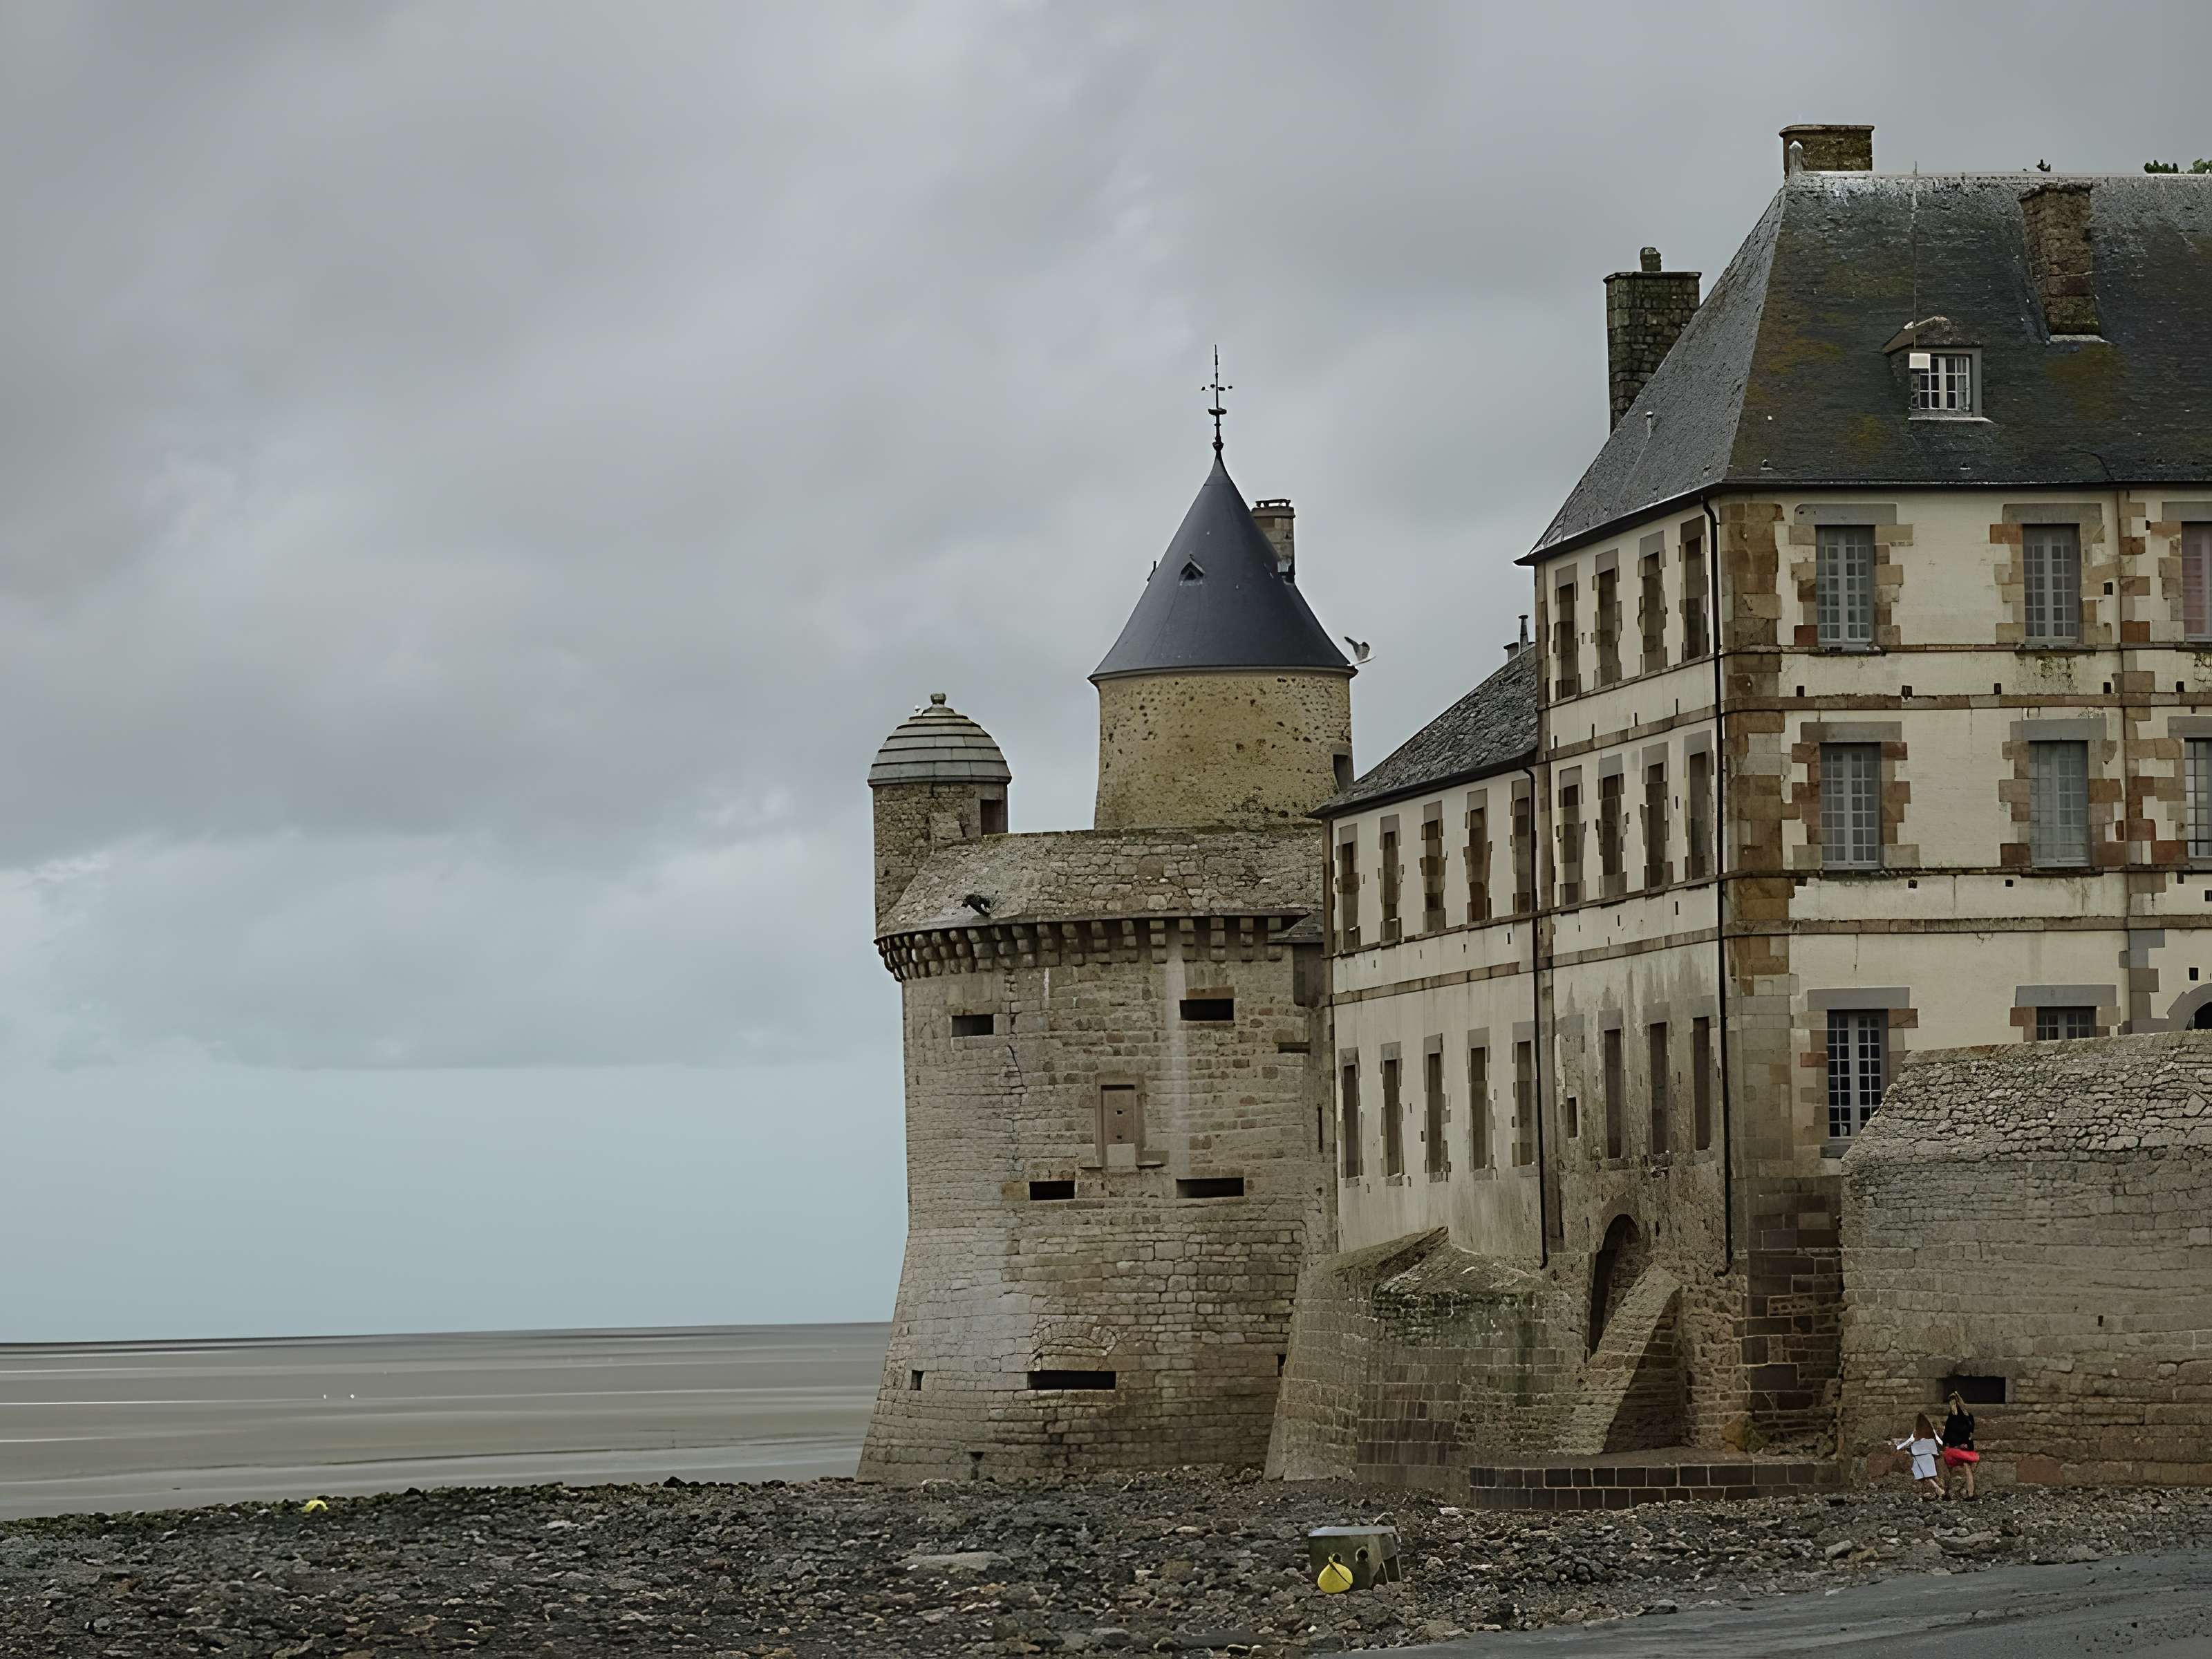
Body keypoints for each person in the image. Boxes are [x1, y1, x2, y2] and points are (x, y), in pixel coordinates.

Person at [1893, 1413, 1944, 1499]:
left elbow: (1909, 1442)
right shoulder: (1931, 1432)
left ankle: (1938, 1489)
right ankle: (1936, 1488)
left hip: (1920, 1454)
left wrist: (1898, 1447)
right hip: (1928, 1453)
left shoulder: (1916, 1433)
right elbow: (1939, 1441)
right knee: (1925, 1473)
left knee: (1925, 1474)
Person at [1940, 1392, 1980, 1500]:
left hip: (1954, 1448)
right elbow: (1971, 1432)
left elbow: (1948, 1433)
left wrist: (1945, 1444)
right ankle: (1971, 1494)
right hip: (1966, 1448)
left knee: (1948, 1469)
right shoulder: (1969, 1417)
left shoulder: (1953, 1417)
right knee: (1968, 1469)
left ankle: (1946, 1492)